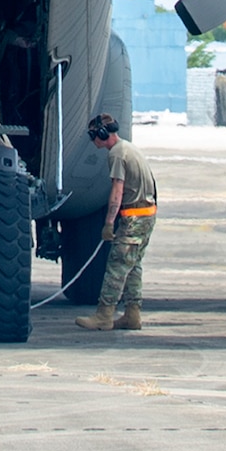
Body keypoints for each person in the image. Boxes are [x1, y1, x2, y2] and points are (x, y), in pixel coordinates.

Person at [75, 113, 157, 332]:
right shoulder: (129, 149)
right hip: (146, 214)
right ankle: (132, 314)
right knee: (133, 265)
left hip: (134, 216)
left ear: (102, 134)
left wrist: (109, 222)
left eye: (94, 136)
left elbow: (117, 190)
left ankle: (104, 315)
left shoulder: (117, 155)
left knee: (117, 266)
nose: (94, 141)